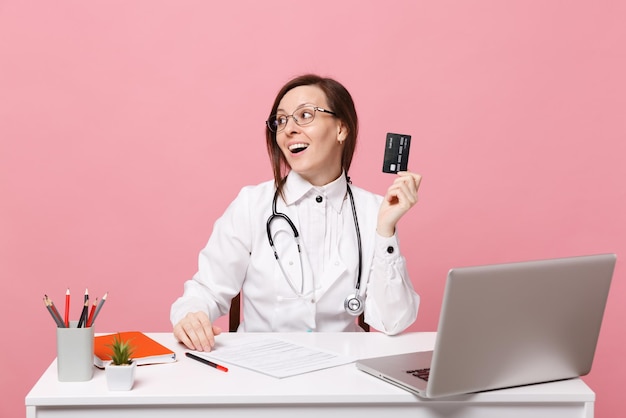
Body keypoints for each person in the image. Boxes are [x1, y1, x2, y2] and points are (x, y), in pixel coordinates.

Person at [171, 74, 422, 352]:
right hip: (259, 372)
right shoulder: (251, 204)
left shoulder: (373, 210)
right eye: (281, 120)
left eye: (305, 115)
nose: (289, 129)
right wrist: (190, 315)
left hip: (340, 376)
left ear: (341, 129)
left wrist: (385, 231)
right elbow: (205, 290)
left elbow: (393, 321)